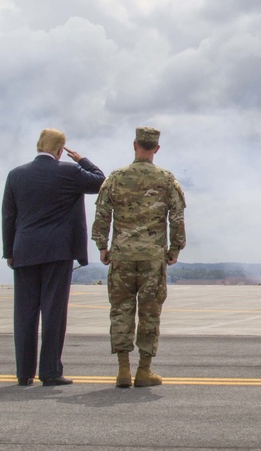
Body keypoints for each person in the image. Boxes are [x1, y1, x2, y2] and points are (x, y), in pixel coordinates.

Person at [2, 128, 105, 386]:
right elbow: (100, 181)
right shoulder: (68, 172)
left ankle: (24, 373)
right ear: (60, 150)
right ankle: (50, 372)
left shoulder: (16, 175)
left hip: (24, 250)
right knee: (53, 313)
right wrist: (81, 159)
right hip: (57, 252)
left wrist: (9, 252)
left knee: (24, 314)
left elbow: (8, 217)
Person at [92, 127, 186, 388]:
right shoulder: (167, 180)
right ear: (156, 148)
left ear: (135, 145)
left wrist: (102, 246)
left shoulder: (116, 177)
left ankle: (123, 370)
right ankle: (144, 370)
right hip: (152, 259)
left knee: (121, 310)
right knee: (150, 313)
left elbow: (102, 214)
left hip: (121, 257)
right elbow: (177, 218)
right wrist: (174, 250)